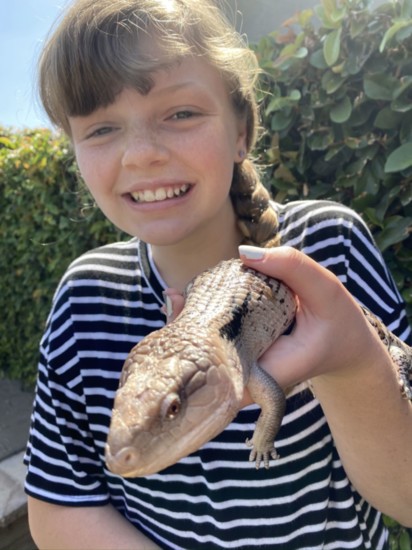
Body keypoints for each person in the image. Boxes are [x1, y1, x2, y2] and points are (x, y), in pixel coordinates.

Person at [24, 0, 412, 548]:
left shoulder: (332, 245)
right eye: (101, 128)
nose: (141, 155)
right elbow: (56, 512)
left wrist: (351, 364)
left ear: (241, 131)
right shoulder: (82, 298)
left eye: (180, 113)